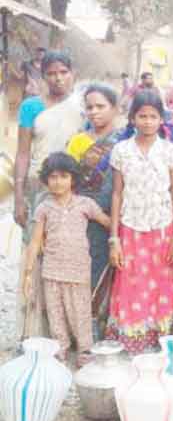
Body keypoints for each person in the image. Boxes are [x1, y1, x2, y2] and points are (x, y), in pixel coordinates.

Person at [13, 51, 84, 341]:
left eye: (63, 72)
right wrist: (18, 196)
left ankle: (68, 331)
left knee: (68, 256)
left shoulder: (82, 107)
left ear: (72, 73)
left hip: (73, 191)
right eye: (51, 73)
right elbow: (23, 153)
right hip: (38, 189)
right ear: (43, 76)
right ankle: (34, 333)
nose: (58, 78)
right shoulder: (31, 107)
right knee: (36, 255)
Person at [106, 90, 173, 355]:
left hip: (163, 226)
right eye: (142, 116)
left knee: (163, 281)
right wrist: (114, 238)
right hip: (131, 226)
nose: (148, 121)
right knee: (131, 281)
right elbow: (117, 193)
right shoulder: (121, 151)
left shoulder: (170, 152)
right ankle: (132, 337)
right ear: (132, 118)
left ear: (162, 119)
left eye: (153, 116)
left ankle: (160, 336)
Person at [24, 152, 109, 365]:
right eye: (52, 177)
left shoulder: (85, 204)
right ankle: (59, 349)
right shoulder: (44, 208)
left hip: (79, 269)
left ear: (73, 178)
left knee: (79, 310)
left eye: (63, 176)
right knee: (55, 312)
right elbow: (35, 241)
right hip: (52, 270)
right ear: (46, 180)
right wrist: (27, 272)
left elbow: (107, 222)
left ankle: (85, 350)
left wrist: (122, 235)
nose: (58, 182)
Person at [66, 85, 124, 341]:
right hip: (84, 215)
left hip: (119, 213)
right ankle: (85, 329)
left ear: (114, 108)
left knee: (117, 270)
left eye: (101, 106)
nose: (94, 112)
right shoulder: (78, 140)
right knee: (87, 269)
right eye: (89, 107)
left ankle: (111, 328)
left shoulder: (125, 140)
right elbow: (68, 179)